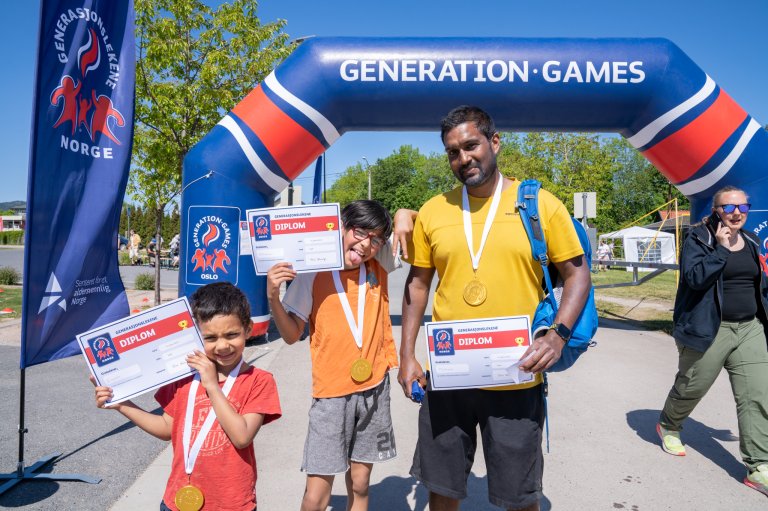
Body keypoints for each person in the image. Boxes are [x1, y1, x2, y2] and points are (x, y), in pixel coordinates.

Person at [397, 106, 591, 511]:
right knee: (442, 488)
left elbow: (577, 276)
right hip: (449, 375)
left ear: (494, 142)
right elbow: (417, 285)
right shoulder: (435, 209)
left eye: (471, 145)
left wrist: (559, 335)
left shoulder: (539, 204)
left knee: (518, 496)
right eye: (453, 152)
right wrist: (406, 355)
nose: (463, 158)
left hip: (516, 373)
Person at [266, 200, 414, 511]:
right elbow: (292, 335)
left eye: (375, 239)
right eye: (360, 233)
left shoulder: (380, 262)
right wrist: (272, 297)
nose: (366, 245)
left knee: (360, 484)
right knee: (316, 494)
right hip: (331, 394)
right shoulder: (311, 271)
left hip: (375, 388)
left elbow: (417, 229)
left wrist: (403, 213)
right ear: (341, 227)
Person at [93, 282, 282, 510]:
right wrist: (122, 404)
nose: (223, 346)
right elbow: (166, 428)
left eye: (232, 335)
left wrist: (212, 385)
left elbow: (242, 437)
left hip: (231, 503)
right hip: (177, 500)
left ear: (248, 329)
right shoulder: (184, 376)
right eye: (210, 338)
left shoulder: (259, 380)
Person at [657, 185, 768, 497]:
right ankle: (669, 424)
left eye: (742, 208)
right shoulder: (699, 238)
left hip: (749, 328)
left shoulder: (752, 241)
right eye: (728, 208)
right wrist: (720, 249)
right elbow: (694, 278)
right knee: (692, 385)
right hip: (710, 328)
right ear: (715, 210)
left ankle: (759, 466)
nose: (736, 213)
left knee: (757, 395)